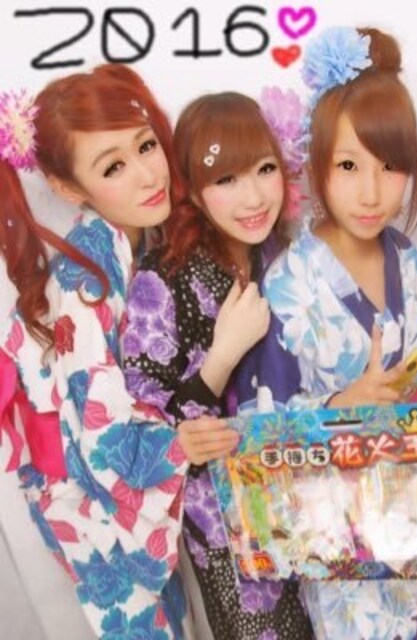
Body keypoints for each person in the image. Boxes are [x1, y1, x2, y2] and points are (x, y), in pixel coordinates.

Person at [0, 65, 237, 639]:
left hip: (100, 486)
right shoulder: (86, 282)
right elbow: (100, 435)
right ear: (68, 188)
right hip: (86, 494)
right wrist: (178, 444)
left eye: (146, 146)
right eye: (113, 167)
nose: (147, 174)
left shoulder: (123, 243)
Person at [254, 26, 417, 640]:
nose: (371, 192)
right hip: (342, 547)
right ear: (316, 164)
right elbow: (263, 434)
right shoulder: (289, 283)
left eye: (390, 166)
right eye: (348, 165)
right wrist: (343, 404)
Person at [121, 91, 314, 640]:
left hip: (309, 498)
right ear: (193, 189)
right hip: (232, 531)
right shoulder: (163, 277)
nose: (253, 197)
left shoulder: (280, 255)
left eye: (265, 169)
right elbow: (142, 427)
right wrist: (221, 359)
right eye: (226, 179)